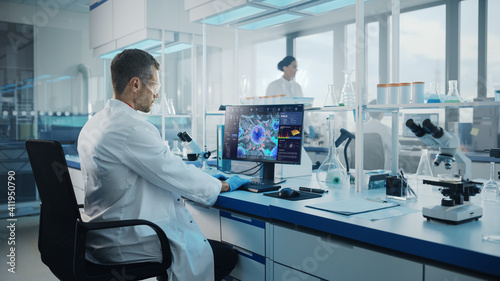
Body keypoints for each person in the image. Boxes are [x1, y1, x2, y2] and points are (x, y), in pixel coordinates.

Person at [77, 49, 249, 281]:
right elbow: (174, 173)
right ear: (135, 84)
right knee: (224, 257)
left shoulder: (95, 122)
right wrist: (222, 186)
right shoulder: (131, 127)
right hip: (127, 241)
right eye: (154, 87)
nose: (156, 95)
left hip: (100, 235)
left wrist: (198, 173)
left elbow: (158, 164)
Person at [363, 100, 395, 170]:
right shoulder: (386, 129)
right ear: (381, 114)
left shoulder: (360, 128)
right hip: (381, 171)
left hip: (363, 171)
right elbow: (396, 150)